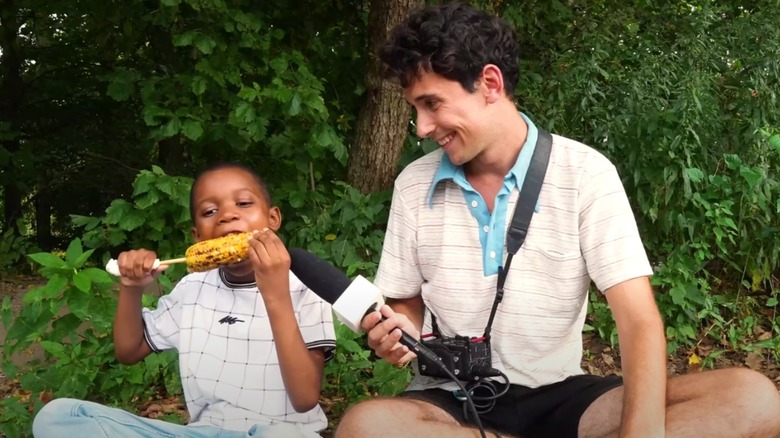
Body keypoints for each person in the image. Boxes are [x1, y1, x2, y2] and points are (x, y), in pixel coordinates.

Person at [335, 3, 780, 438]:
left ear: (489, 82)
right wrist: (401, 330)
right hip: (451, 402)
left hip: (565, 397)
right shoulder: (414, 184)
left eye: (432, 104)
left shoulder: (586, 173)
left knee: (752, 398)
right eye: (416, 108)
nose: (421, 126)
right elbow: (405, 301)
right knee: (365, 426)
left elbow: (637, 320)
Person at [33, 163, 337, 438]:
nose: (228, 215)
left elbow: (305, 398)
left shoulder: (307, 286)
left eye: (244, 203)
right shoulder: (192, 288)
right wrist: (132, 288)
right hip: (202, 433)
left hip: (281, 433)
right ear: (197, 236)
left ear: (273, 219)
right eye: (209, 212)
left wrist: (275, 294)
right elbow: (129, 350)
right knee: (59, 417)